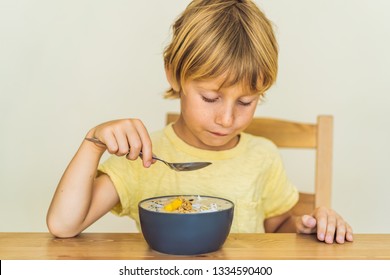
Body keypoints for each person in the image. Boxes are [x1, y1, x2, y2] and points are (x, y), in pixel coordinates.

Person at [47, 0, 353, 244]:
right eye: (210, 98)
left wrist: (308, 226)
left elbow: (279, 227)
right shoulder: (142, 158)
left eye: (246, 102)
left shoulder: (264, 156)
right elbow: (63, 225)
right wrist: (93, 143)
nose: (227, 118)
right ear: (173, 74)